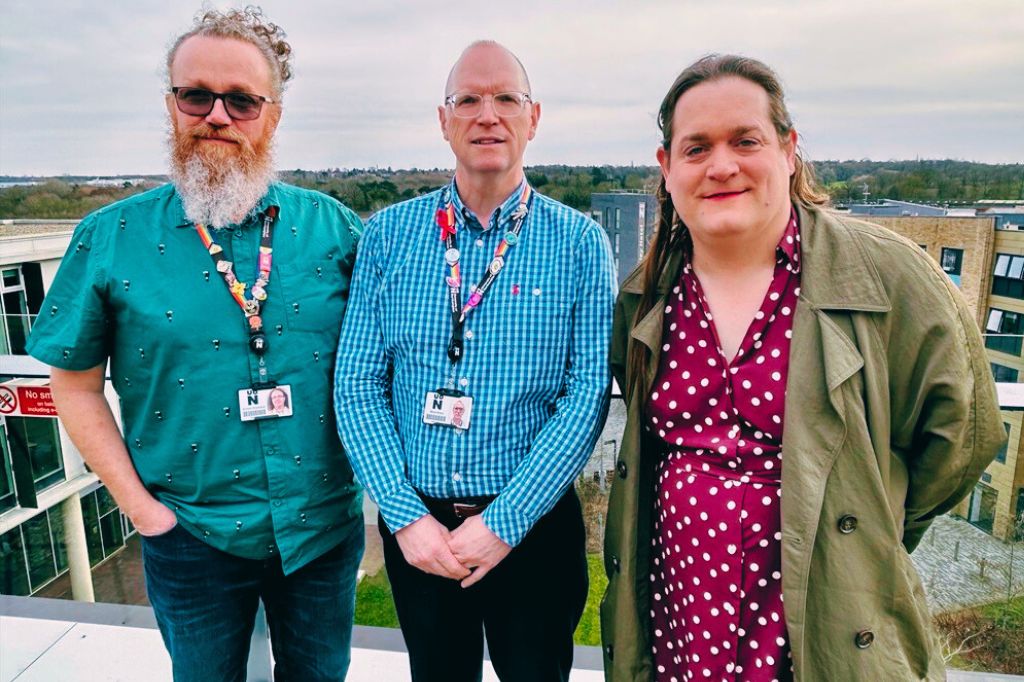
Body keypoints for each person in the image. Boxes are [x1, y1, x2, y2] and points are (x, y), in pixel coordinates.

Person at [600, 54, 1005, 681]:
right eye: (697, 147)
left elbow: (964, 435)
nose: (722, 165)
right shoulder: (645, 295)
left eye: (746, 140)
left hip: (824, 637)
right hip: (679, 634)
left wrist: (871, 519)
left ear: (789, 150)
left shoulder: (889, 277)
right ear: (668, 167)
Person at [26, 8, 364, 681]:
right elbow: (74, 383)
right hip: (188, 535)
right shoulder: (109, 238)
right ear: (171, 105)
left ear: (272, 115)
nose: (217, 115)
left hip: (320, 531)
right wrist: (143, 513)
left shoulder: (338, 232)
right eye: (196, 95)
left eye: (241, 100)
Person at [335, 40, 616, 682]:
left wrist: (505, 522)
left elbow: (586, 394)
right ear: (444, 120)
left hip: (533, 528)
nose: (487, 115)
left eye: (505, 99)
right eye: (467, 100)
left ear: (533, 117)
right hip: (420, 531)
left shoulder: (578, 242)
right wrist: (405, 519)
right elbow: (356, 385)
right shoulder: (388, 235)